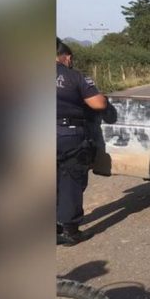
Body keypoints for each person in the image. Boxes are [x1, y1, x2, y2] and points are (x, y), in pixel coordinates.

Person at [57, 38, 108, 246]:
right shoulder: (74, 76)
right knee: (71, 180)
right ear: (67, 57)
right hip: (67, 135)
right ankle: (70, 231)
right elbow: (98, 103)